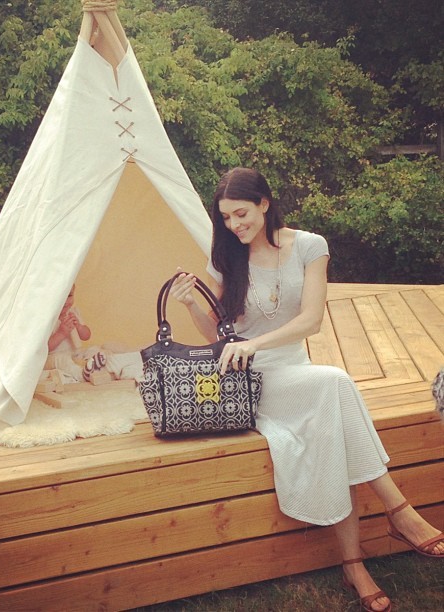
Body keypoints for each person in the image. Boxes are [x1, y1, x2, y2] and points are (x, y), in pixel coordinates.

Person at [170, 167, 443, 612]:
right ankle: (399, 511)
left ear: (264, 203)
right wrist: (190, 306)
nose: (234, 225)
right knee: (335, 383)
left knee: (332, 417)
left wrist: (256, 342)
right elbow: (218, 336)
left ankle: (354, 565)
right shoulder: (226, 258)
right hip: (250, 379)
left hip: (294, 369)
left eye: (241, 214)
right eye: (226, 217)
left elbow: (311, 320)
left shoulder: (310, 246)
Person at [47, 285, 143, 384]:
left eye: (69, 296)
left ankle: (101, 366)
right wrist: (61, 333)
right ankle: (81, 375)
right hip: (53, 357)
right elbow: (45, 348)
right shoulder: (47, 319)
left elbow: (86, 336)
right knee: (62, 361)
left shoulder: (73, 312)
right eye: (61, 296)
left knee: (93, 349)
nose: (66, 301)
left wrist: (79, 327)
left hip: (75, 353)